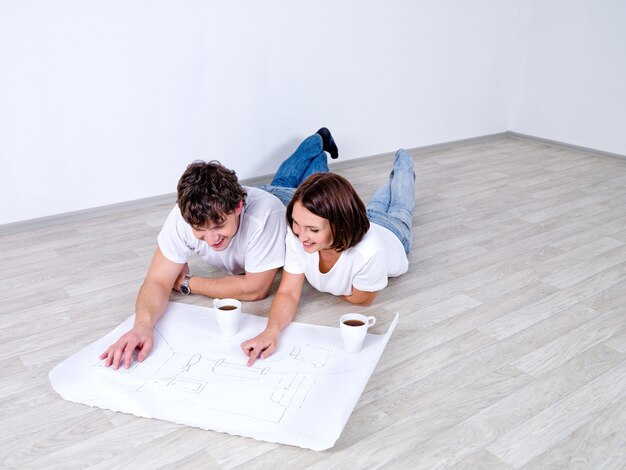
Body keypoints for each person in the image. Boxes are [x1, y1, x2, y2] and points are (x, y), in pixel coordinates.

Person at [100, 128, 339, 369]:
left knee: (309, 187)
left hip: (283, 203)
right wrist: (142, 326)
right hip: (259, 196)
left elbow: (255, 289)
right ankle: (318, 140)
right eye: (200, 230)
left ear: (238, 206)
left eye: (219, 226)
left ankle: (318, 147)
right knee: (281, 180)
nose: (212, 238)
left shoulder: (266, 216)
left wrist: (187, 283)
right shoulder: (185, 216)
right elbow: (157, 280)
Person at [242, 132, 415, 366]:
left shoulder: (370, 253)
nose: (301, 236)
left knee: (399, 196)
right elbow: (288, 293)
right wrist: (271, 332)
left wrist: (316, 281)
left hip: (393, 233)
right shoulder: (299, 234)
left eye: (312, 230)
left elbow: (361, 300)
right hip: (363, 221)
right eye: (296, 223)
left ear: (338, 224)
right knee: (376, 203)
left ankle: (404, 163)